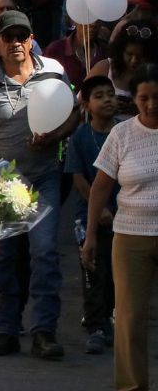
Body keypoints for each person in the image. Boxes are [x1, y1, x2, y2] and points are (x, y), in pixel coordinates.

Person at [0, 11, 77, 359]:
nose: (16, 44)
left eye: (22, 37)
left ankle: (44, 331)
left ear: (31, 40)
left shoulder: (53, 71)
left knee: (45, 254)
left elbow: (72, 112)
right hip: (1, 182)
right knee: (3, 258)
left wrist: (53, 136)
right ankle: (5, 329)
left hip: (43, 178)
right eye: (8, 37)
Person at [83, 64, 158, 391]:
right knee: (128, 317)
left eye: (157, 98)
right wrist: (91, 237)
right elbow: (101, 186)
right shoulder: (122, 134)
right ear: (135, 99)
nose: (151, 105)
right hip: (130, 234)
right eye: (144, 98)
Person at [65, 76, 118, 357]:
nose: (108, 99)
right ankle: (95, 325)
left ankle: (110, 319)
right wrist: (98, 210)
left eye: (110, 94)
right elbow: (78, 177)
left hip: (123, 216)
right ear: (86, 104)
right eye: (99, 95)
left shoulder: (123, 131)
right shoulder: (81, 137)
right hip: (87, 218)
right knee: (92, 270)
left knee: (115, 273)